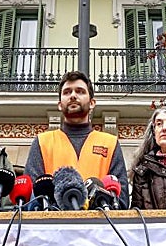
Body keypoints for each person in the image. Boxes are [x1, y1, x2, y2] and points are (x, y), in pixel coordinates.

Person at [23, 71, 128, 204]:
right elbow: (31, 199)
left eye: (80, 91)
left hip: (101, 217)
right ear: (59, 104)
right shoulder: (42, 142)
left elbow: (121, 199)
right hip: (52, 217)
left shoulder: (110, 143)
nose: (73, 95)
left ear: (92, 103)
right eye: (67, 92)